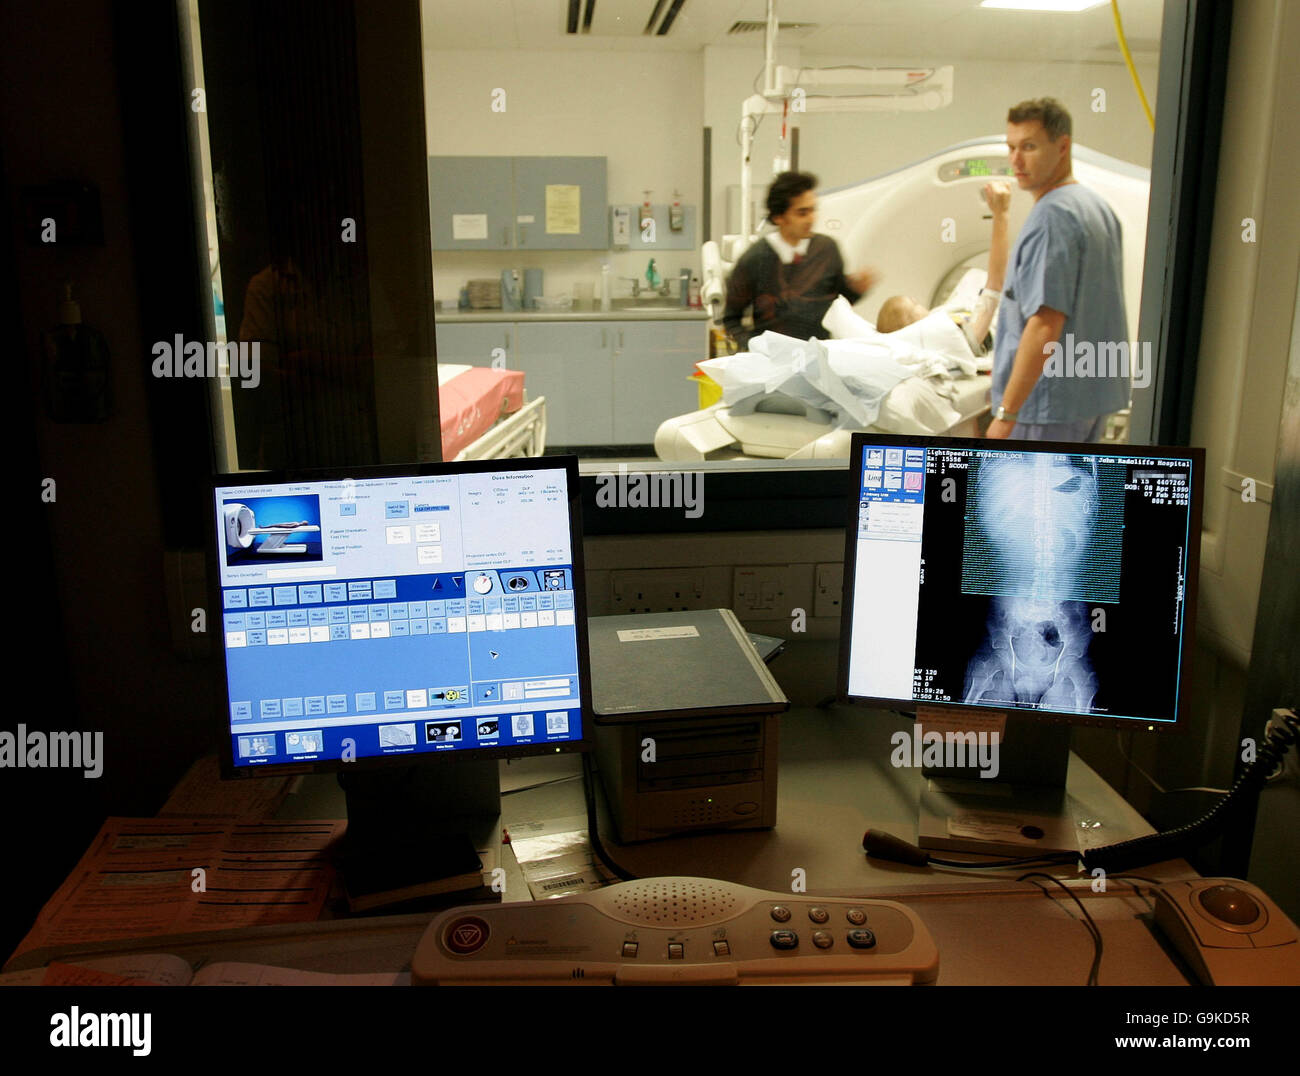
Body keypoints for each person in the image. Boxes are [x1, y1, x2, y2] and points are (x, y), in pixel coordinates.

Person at [987, 97, 1130, 441]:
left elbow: (1044, 324)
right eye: (1011, 147)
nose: (1015, 160)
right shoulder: (1096, 208)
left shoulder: (1051, 217)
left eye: (1029, 146)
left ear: (1062, 146)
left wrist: (1007, 414)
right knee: (1071, 493)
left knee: (1029, 496)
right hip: (1090, 400)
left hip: (1047, 406)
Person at [722, 171, 878, 351]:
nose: (811, 219)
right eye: (802, 213)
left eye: (813, 210)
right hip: (772, 357)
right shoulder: (755, 259)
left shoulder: (827, 250)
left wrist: (856, 289)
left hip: (820, 352)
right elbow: (731, 319)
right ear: (779, 217)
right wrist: (753, 347)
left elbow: (840, 299)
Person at [874, 180, 1013, 357]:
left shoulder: (937, 320)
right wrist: (1001, 215)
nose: (916, 300)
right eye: (913, 304)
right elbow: (994, 288)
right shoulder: (951, 338)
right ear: (910, 324)